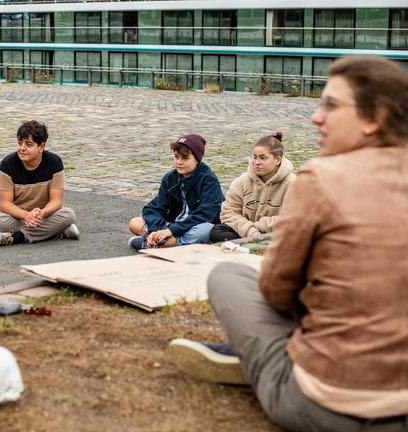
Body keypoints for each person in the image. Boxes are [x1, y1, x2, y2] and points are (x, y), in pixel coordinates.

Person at [168, 56, 408, 431]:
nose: (316, 117)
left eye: (330, 105)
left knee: (229, 277)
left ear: (373, 117)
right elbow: (227, 212)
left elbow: (277, 292)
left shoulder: (320, 178)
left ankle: (257, 360)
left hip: (324, 404)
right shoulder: (246, 182)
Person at [0, 120, 79, 247]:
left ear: (41, 146)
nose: (22, 148)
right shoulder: (7, 165)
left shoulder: (54, 163)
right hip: (17, 216)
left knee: (68, 215)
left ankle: (16, 237)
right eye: (20, 143)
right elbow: (4, 205)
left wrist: (41, 213)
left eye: (28, 144)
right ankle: (57, 232)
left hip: (43, 215)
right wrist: (26, 215)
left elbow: (57, 201)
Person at [128, 134, 223, 250]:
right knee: (134, 223)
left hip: (194, 225)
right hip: (173, 224)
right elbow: (154, 207)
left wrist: (171, 231)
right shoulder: (170, 178)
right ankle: (161, 241)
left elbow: (206, 215)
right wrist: (157, 230)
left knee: (204, 231)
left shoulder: (209, 180)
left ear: (197, 159)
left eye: (185, 158)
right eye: (176, 157)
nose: (179, 162)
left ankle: (151, 244)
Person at [208, 132, 296, 243]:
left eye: (263, 158)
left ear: (277, 160)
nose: (257, 162)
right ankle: (252, 241)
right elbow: (228, 212)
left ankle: (253, 243)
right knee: (217, 232)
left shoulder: (293, 183)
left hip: (275, 231)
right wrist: (251, 231)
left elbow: (293, 218)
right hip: (245, 230)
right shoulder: (242, 181)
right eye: (255, 157)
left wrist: (258, 226)